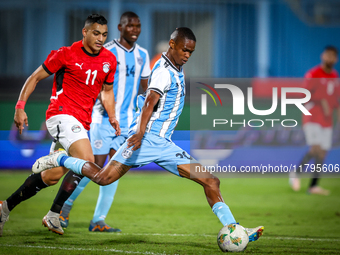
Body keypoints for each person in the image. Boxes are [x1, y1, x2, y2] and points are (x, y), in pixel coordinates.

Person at [32, 27, 264, 242]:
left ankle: (234, 229)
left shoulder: (175, 67)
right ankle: (60, 158)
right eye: (184, 49)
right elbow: (150, 102)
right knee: (103, 178)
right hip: (145, 140)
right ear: (172, 44)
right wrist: (140, 133)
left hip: (163, 143)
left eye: (191, 52)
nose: (187, 55)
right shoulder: (163, 71)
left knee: (211, 181)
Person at [0, 14, 119, 237]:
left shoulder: (109, 60)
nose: (100, 38)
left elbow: (107, 91)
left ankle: (4, 208)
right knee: (88, 160)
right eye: (96, 33)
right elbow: (34, 77)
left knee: (52, 176)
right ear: (85, 32)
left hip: (81, 122)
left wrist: (112, 116)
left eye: (104, 34)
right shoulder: (65, 54)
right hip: (60, 115)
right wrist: (19, 106)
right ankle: (55, 212)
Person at [59, 11, 151, 232]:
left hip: (128, 124)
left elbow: (146, 88)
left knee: (115, 168)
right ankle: (63, 208)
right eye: (130, 26)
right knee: (95, 165)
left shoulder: (143, 55)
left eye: (138, 26)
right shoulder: (107, 50)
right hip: (102, 118)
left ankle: (98, 220)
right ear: (120, 28)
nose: (135, 30)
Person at [289, 45, 339, 195]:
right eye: (327, 55)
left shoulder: (335, 76)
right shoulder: (313, 73)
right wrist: (321, 100)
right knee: (315, 149)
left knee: (322, 153)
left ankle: (313, 186)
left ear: (335, 59)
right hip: (312, 117)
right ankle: (296, 173)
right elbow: (304, 95)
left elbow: (336, 100)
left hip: (327, 120)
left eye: (333, 56)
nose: (329, 58)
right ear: (323, 56)